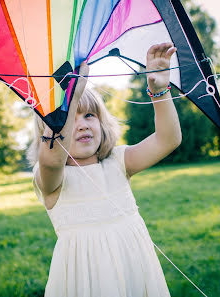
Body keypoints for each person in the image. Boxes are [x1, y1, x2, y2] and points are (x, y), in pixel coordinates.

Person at [28, 43, 181, 297]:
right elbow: (52, 159)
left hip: (133, 268)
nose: (81, 125)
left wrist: (159, 90)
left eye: (89, 115)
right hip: (85, 282)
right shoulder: (52, 179)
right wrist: (71, 97)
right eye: (69, 118)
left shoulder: (119, 161)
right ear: (49, 128)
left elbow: (168, 139)